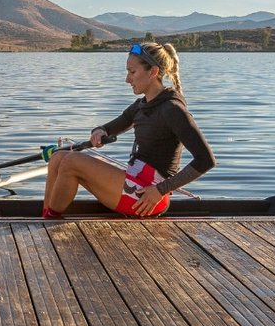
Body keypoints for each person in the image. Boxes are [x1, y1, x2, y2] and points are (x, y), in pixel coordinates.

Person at [41, 41, 215, 218]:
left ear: (153, 72)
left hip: (149, 197)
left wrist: (160, 190)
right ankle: (46, 216)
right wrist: (99, 131)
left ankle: (49, 219)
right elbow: (111, 127)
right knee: (57, 158)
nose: (127, 79)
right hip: (134, 181)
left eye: (132, 72)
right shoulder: (141, 105)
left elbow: (206, 160)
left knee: (72, 162)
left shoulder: (172, 109)